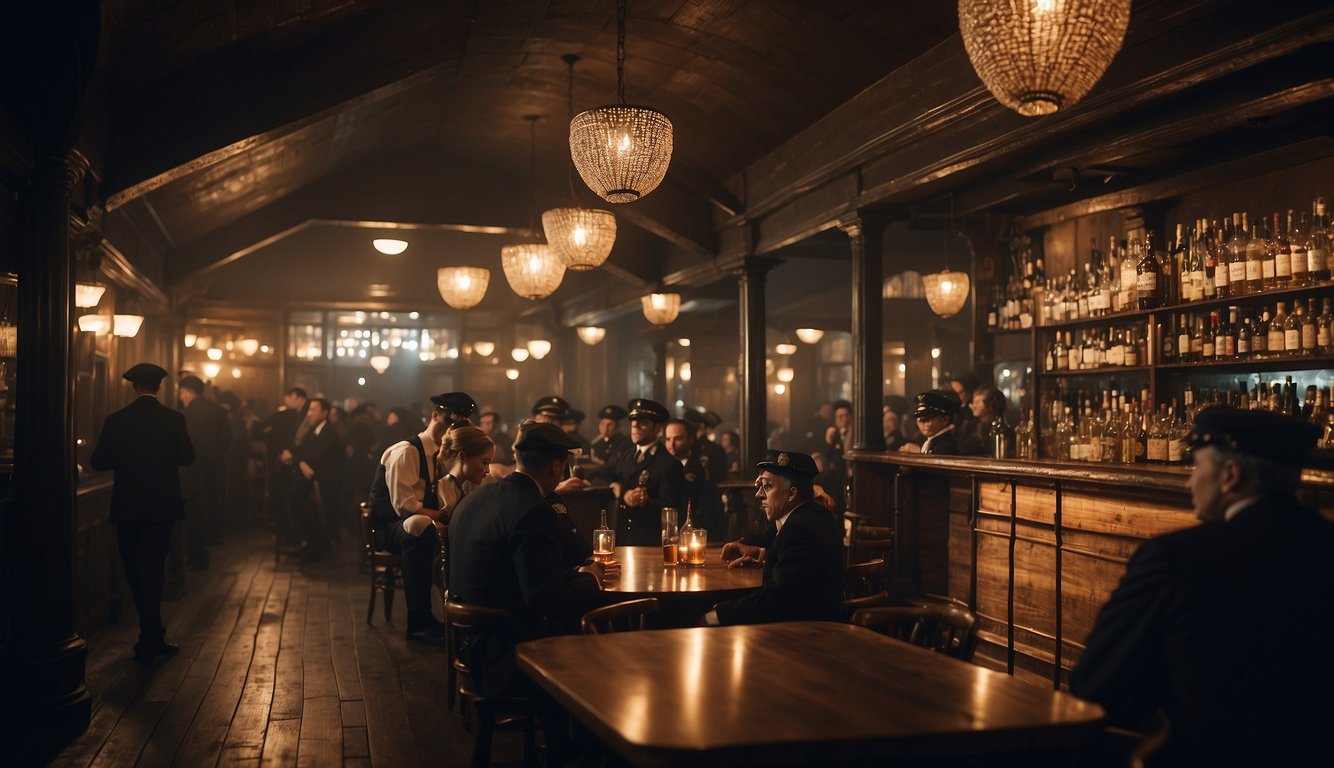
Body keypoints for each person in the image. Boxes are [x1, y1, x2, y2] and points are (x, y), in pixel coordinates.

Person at [1070, 408, 1332, 766]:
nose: (1190, 482)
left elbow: (1097, 687)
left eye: (1197, 467)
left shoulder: (1174, 558)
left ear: (1230, 475)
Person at [447, 422, 605, 697]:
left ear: (517, 458)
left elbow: (509, 574)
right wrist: (591, 578)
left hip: (468, 643)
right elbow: (545, 599)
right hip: (507, 654)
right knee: (603, 651)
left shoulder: (475, 497)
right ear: (556, 467)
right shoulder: (534, 510)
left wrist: (574, 576)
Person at [90, 363, 196, 662]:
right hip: (162, 506)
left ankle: (149, 632)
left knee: (134, 569)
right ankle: (152, 634)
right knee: (154, 568)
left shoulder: (116, 420)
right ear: (159, 387)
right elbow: (188, 457)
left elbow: (98, 462)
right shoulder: (174, 419)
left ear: (133, 387)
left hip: (127, 506)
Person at [367, 391, 476, 644]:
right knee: (421, 528)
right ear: (435, 416)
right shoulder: (407, 451)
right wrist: (442, 517)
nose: (450, 431)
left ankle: (461, 613)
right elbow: (404, 507)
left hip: (419, 521)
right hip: (389, 526)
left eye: (457, 426)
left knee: (459, 532)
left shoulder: (443, 454)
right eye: (447, 423)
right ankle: (418, 622)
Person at [706, 450, 844, 625]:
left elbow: (776, 601)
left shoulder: (800, 529)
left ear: (792, 494)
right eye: (759, 486)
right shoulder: (807, 516)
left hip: (802, 636)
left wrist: (717, 615)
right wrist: (758, 552)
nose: (758, 494)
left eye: (767, 486)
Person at [608, 398, 685, 546]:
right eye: (633, 424)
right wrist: (623, 492)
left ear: (657, 429)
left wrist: (646, 501)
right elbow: (605, 475)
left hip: (650, 540)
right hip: (623, 536)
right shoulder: (626, 456)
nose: (635, 426)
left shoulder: (669, 464)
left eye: (643, 423)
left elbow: (672, 508)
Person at [280, 397, 345, 559]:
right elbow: (302, 449)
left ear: (325, 413)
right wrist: (295, 456)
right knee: (292, 496)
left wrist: (297, 459)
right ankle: (309, 541)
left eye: (313, 410)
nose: (309, 414)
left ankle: (317, 543)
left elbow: (317, 455)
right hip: (313, 479)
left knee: (298, 498)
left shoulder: (329, 432)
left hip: (326, 482)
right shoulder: (314, 430)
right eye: (308, 410)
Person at [178, 375, 230, 569]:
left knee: (193, 508)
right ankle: (212, 537)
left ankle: (196, 553)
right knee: (212, 500)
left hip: (189, 467)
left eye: (181, 393)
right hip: (212, 465)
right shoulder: (218, 411)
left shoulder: (185, 414)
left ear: (186, 392)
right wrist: (215, 457)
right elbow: (227, 438)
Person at [899, 391, 961, 455]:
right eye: (921, 420)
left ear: (944, 420)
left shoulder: (949, 443)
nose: (925, 424)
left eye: (928, 419)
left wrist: (920, 451)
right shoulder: (924, 439)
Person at [957, 383, 1008, 456]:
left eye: (977, 402)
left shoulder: (999, 429)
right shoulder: (971, 427)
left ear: (990, 405)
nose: (973, 406)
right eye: (973, 402)